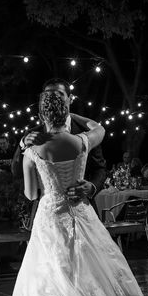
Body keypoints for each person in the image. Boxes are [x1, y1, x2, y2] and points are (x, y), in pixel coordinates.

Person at [7, 88, 147, 296]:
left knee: (50, 273)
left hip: (50, 215)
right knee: (89, 270)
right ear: (65, 111)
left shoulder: (32, 149)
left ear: (41, 114)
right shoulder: (82, 142)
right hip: (80, 212)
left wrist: (28, 155)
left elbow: (32, 193)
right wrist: (74, 114)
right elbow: (100, 128)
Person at [19, 78, 107, 210]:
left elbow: (100, 168)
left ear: (70, 98)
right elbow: (16, 171)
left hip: (78, 205)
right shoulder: (31, 135)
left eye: (58, 94)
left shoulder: (83, 130)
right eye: (48, 95)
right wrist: (23, 143)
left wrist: (91, 187)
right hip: (47, 209)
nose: (53, 97)